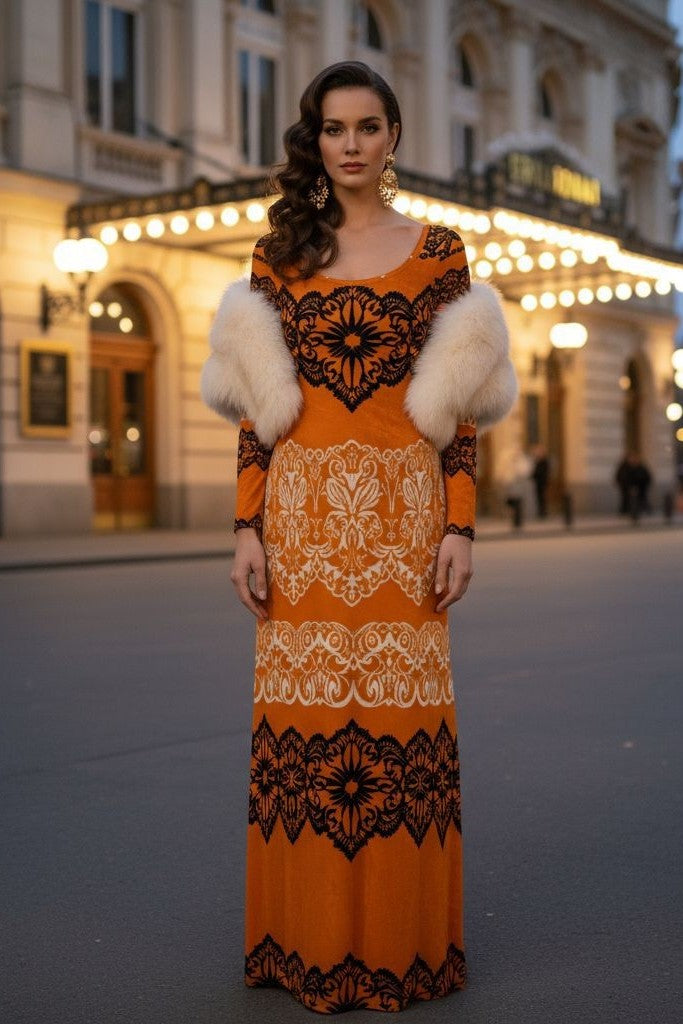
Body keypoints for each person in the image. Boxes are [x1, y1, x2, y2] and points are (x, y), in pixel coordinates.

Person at [201, 61, 517, 1014]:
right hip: (299, 520)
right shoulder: (276, 255)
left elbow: (457, 412)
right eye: (333, 128)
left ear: (392, 137)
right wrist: (245, 526)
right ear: (316, 138)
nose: (350, 144)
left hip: (400, 519)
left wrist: (460, 525)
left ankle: (396, 948)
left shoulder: (440, 252)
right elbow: (258, 414)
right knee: (302, 730)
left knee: (396, 725)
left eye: (367, 126)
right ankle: (300, 944)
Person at [530, 443, 550, 518]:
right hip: (538, 482)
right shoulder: (538, 461)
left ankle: (543, 513)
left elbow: (540, 472)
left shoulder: (544, 461)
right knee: (539, 498)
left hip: (542, 483)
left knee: (541, 498)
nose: (537, 453)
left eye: (538, 452)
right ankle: (541, 512)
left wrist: (533, 474)